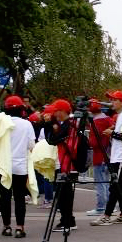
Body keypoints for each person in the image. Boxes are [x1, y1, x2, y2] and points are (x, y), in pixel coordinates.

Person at [94, 90, 122, 226]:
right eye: (111, 100)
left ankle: (107, 215)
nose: (112, 102)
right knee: (120, 187)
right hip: (119, 157)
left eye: (114, 100)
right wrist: (113, 132)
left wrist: (112, 133)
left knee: (115, 186)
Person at [0, 96, 36, 237]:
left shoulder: (1, 123)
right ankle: (20, 227)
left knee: (5, 197)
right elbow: (31, 145)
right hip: (20, 165)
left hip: (3, 165)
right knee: (20, 197)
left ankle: (6, 226)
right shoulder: (26, 124)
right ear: (21, 109)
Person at [45, 99, 83, 231]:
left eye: (56, 111)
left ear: (62, 111)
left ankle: (67, 221)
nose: (54, 114)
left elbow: (52, 140)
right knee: (64, 193)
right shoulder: (71, 123)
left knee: (63, 194)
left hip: (66, 164)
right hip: (68, 163)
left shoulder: (68, 125)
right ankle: (68, 220)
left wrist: (49, 124)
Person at [85, 99, 112, 217]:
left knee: (100, 183)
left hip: (99, 155)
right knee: (106, 182)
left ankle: (101, 207)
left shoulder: (96, 122)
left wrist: (88, 141)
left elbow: (94, 143)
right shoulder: (107, 119)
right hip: (108, 155)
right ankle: (109, 206)